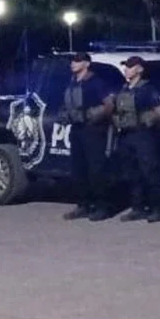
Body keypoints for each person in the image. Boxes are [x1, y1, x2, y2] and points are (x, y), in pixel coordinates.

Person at [60, 52, 115, 221]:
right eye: (73, 61)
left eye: (77, 61)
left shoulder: (96, 82)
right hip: (77, 130)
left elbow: (109, 104)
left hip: (94, 130)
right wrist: (65, 115)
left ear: (87, 64)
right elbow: (67, 105)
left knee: (96, 169)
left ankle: (102, 206)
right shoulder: (72, 83)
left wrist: (93, 115)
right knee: (78, 169)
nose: (73, 63)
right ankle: (83, 205)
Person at [112, 56, 160, 222]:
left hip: (144, 135)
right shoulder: (124, 89)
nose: (126, 69)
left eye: (130, 66)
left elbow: (159, 112)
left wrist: (148, 119)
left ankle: (158, 208)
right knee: (132, 173)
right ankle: (138, 207)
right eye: (126, 66)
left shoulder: (148, 89)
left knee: (150, 172)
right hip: (126, 135)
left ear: (140, 69)